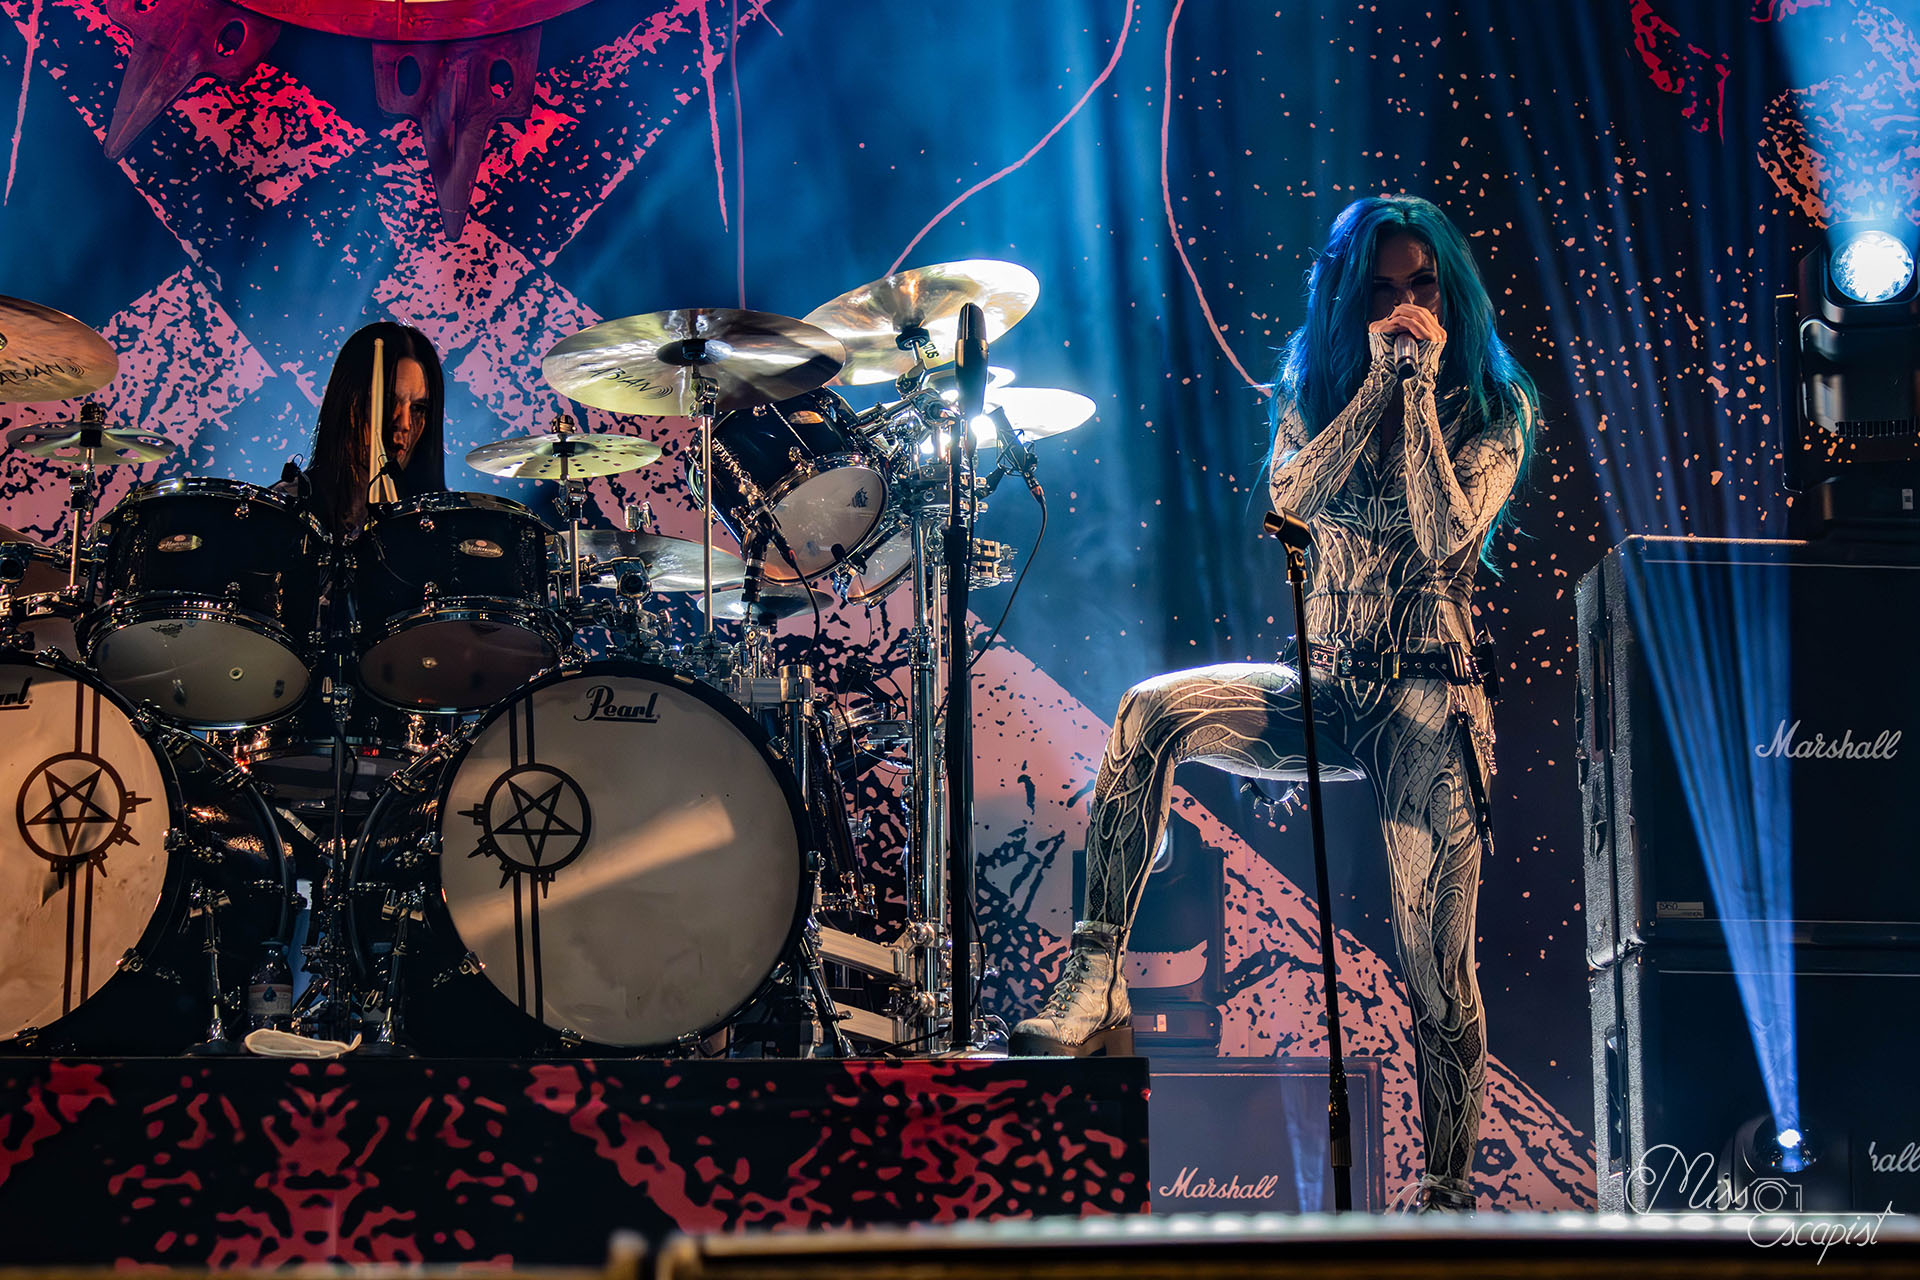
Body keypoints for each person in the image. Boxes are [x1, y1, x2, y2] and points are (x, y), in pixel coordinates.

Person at [1009, 195, 1538, 1214]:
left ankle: (1445, 1189)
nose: (1404, 308)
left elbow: (1443, 533)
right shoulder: (1314, 391)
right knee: (1149, 712)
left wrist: (1415, 387)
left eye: (1423, 287)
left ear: (1452, 294)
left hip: (1430, 699)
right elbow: (1290, 501)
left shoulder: (1494, 404)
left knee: (1437, 970)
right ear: (1349, 300)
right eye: (1381, 291)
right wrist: (1377, 387)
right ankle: (1095, 977)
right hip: (1329, 686)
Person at [291, 322, 448, 537]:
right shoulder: (290, 510)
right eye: (388, 401)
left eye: (418, 408)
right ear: (349, 402)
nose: (404, 424)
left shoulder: (442, 527)